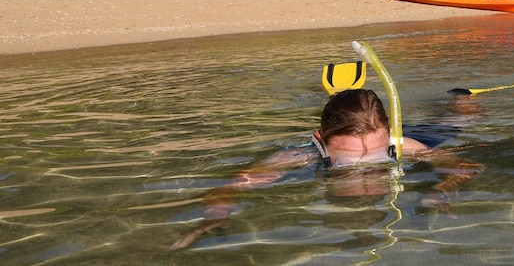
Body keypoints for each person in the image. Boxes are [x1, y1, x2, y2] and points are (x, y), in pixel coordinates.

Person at [170, 88, 477, 250]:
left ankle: (461, 97)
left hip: (418, 136)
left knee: (464, 119)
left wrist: (440, 191)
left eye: (379, 157)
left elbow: (464, 166)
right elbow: (231, 186)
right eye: (346, 162)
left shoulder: (403, 145)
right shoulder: (299, 156)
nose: (367, 174)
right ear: (320, 142)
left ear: (389, 137)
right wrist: (216, 215)